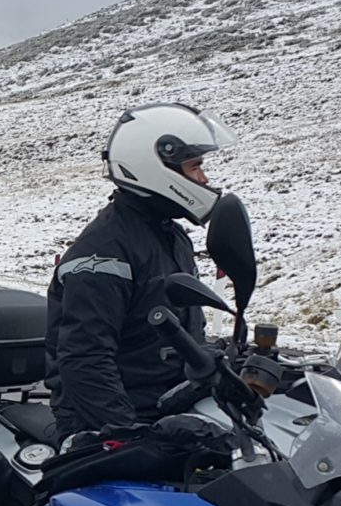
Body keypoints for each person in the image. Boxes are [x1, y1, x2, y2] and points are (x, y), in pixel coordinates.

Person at [45, 102, 237, 442]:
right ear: (156, 166)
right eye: (195, 167)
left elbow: (173, 332)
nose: (204, 179)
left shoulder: (168, 235)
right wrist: (129, 434)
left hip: (164, 409)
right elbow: (85, 360)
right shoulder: (104, 251)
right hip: (107, 423)